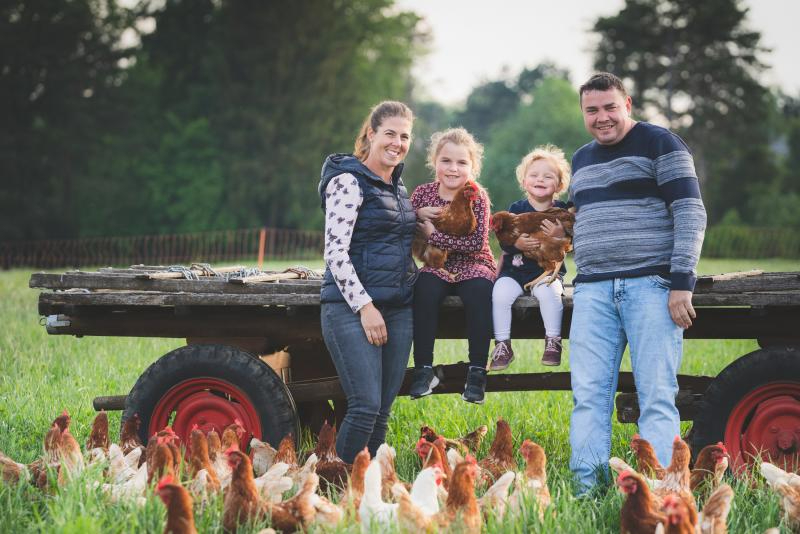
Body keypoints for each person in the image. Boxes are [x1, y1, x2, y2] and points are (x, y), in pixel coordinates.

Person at [567, 73, 707, 492]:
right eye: (592, 110)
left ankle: (663, 493)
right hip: (592, 290)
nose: (602, 117)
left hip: (651, 287)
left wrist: (682, 282)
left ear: (627, 104)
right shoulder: (581, 159)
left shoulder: (661, 143)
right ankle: (587, 490)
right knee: (588, 395)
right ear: (583, 113)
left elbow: (690, 211)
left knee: (656, 395)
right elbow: (579, 218)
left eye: (610, 107)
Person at [318, 101, 417, 463]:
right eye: (390, 133)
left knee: (381, 412)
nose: (397, 143)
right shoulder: (347, 180)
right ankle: (336, 485)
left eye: (404, 136)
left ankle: (367, 487)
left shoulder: (397, 187)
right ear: (371, 134)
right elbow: (335, 253)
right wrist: (365, 307)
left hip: (398, 308)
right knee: (364, 407)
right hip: (352, 307)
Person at [408, 127, 497, 404]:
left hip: (474, 262)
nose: (453, 168)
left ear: (472, 167)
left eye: (461, 162)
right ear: (434, 161)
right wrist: (415, 213)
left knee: (480, 291)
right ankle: (423, 369)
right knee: (423, 287)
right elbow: (402, 225)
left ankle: (477, 372)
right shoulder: (423, 194)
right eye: (446, 160)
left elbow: (475, 243)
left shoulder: (476, 195)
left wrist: (433, 235)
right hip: (436, 265)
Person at [489, 145, 571, 371]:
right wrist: (516, 244)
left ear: (559, 184)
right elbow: (503, 239)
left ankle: (553, 340)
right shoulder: (517, 208)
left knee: (550, 294)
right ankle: (502, 344)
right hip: (515, 272)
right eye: (534, 175)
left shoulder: (561, 210)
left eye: (548, 176)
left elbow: (570, 242)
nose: (540, 179)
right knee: (499, 294)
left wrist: (560, 234)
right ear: (524, 182)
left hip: (547, 273)